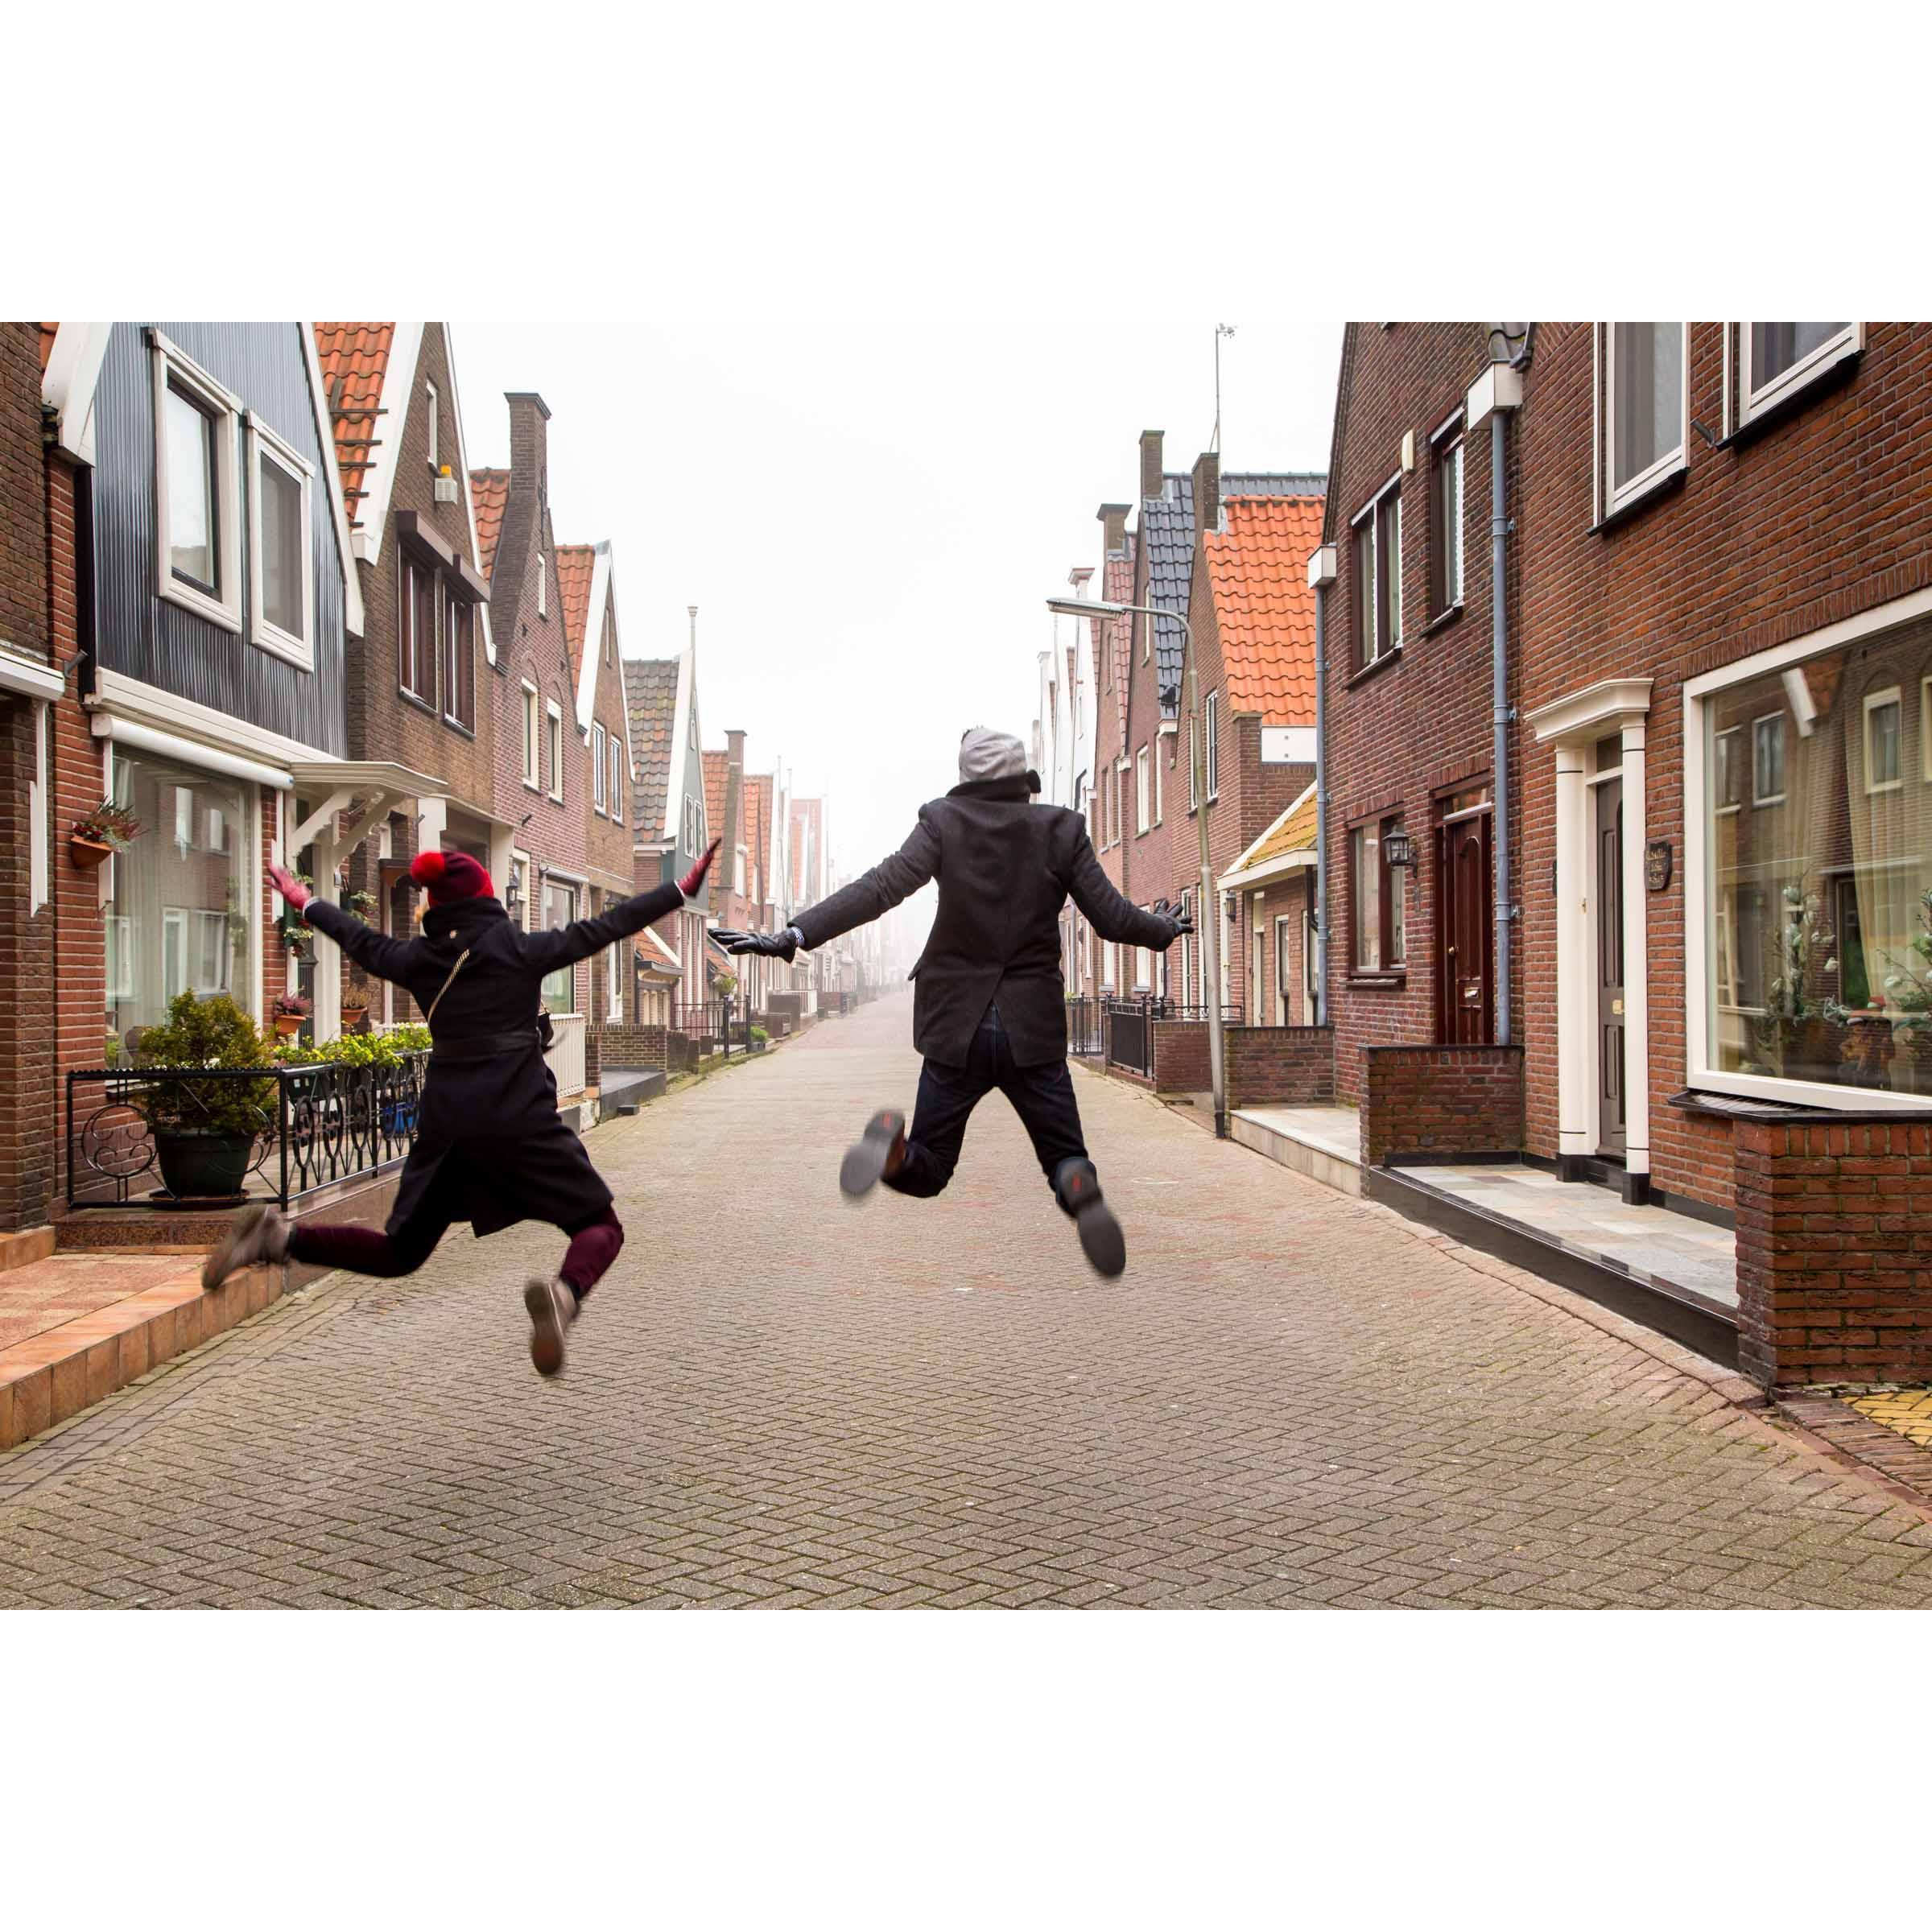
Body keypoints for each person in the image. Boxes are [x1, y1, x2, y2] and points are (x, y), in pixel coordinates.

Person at [202, 840, 718, 1377]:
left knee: (399, 1251)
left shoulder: (419, 960)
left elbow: (362, 941)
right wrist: (678, 890)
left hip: (449, 1125)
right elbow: (609, 926)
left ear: (438, 907)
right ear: (487, 900)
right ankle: (564, 1295)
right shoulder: (522, 950)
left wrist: (304, 901)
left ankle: (278, 1238)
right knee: (599, 1226)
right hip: (521, 1118)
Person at [717, 727, 1190, 1277]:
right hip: (1031, 1033)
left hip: (955, 1030)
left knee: (932, 1165)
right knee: (1063, 1155)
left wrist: (795, 936)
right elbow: (1112, 918)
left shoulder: (943, 822)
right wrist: (1163, 929)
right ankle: (1077, 1184)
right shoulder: (1063, 830)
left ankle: (893, 1149)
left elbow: (879, 888)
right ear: (1022, 779)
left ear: (966, 779)